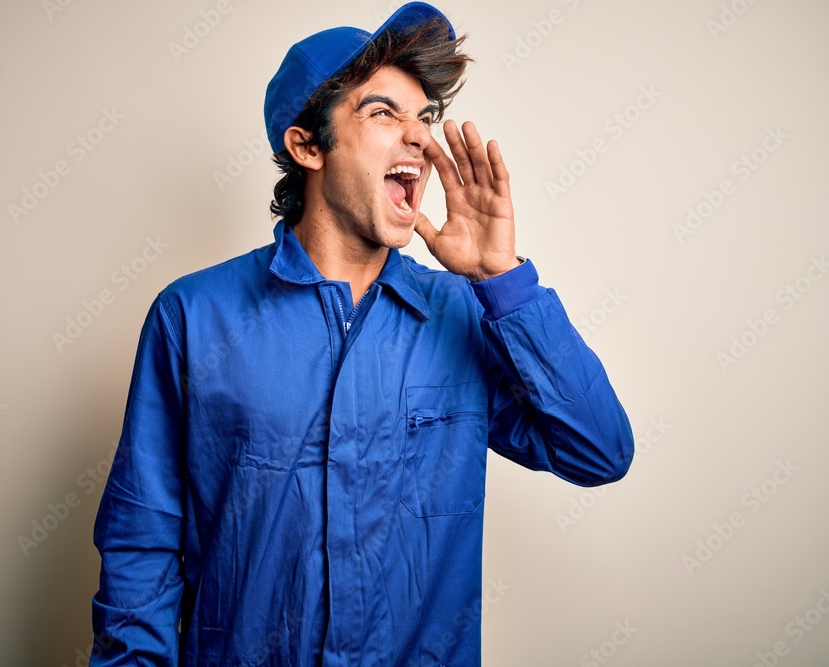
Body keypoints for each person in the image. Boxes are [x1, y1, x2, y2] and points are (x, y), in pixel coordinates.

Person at [91, 3, 634, 665]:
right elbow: (142, 543)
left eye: (425, 117)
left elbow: (599, 450)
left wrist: (503, 279)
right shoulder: (195, 316)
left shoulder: (463, 312)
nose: (422, 140)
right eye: (384, 113)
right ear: (308, 146)